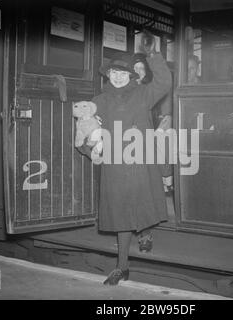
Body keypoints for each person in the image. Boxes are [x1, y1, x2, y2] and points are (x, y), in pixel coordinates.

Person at [77, 33, 172, 285]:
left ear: (131, 76)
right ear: (108, 75)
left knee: (143, 204)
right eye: (113, 72)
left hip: (141, 160)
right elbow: (84, 132)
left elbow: (164, 82)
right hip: (116, 165)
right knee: (121, 213)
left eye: (123, 72)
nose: (118, 76)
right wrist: (92, 149)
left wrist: (152, 54)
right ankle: (121, 267)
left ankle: (147, 232)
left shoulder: (144, 94)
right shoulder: (98, 102)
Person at [131, 52, 174, 253]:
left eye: (142, 68)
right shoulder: (119, 91)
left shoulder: (151, 91)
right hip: (122, 146)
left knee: (143, 191)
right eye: (135, 68)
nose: (138, 72)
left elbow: (165, 117)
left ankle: (145, 235)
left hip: (146, 144)